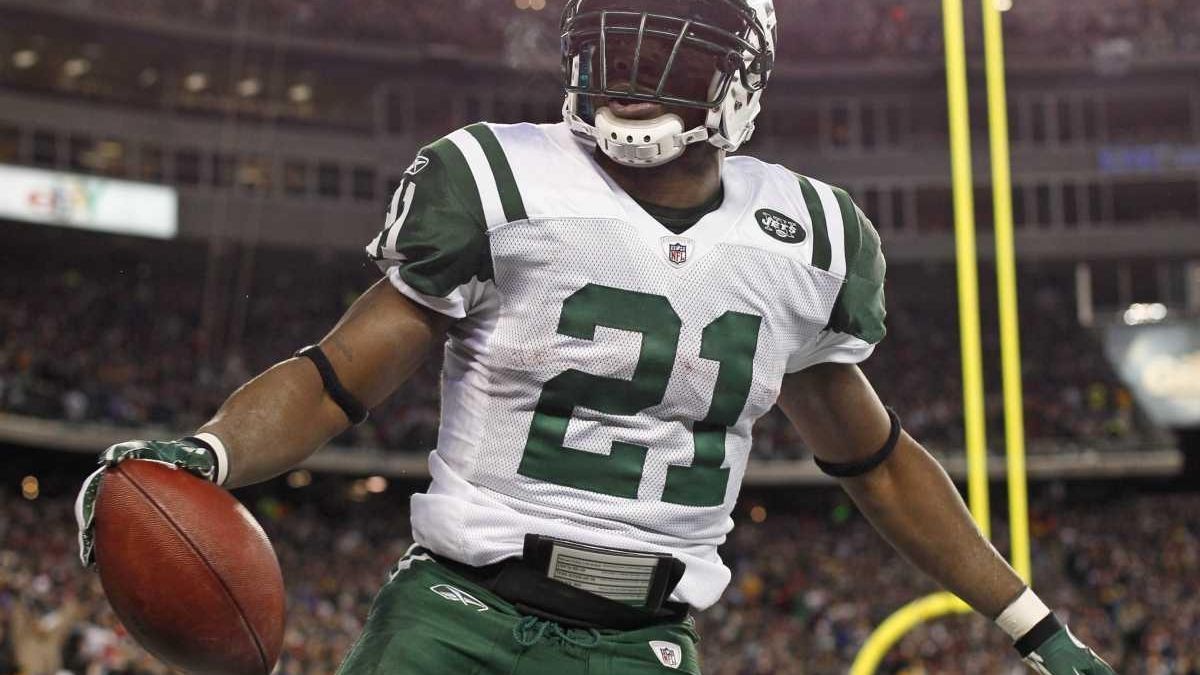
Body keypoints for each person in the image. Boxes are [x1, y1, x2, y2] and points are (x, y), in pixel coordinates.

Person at [75, 1, 1118, 672]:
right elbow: (342, 377)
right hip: (453, 619)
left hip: (642, 645)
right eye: (618, 29)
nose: (635, 62)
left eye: (677, 37)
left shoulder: (811, 235)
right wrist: (203, 453)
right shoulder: (497, 175)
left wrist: (1034, 625)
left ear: (743, 70)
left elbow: (878, 465)